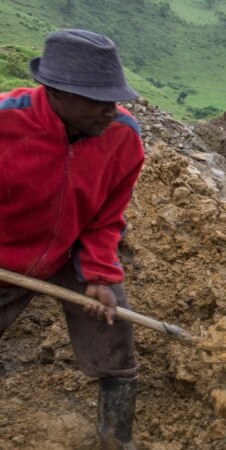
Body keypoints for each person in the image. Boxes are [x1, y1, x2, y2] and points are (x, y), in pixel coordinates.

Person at [0, 29, 144, 449]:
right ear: (55, 93)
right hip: (6, 255)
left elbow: (107, 217)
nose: (109, 110)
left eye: (113, 99)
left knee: (113, 338)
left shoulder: (123, 137)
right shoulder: (6, 122)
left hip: (73, 253)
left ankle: (115, 439)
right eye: (97, 100)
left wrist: (99, 273)